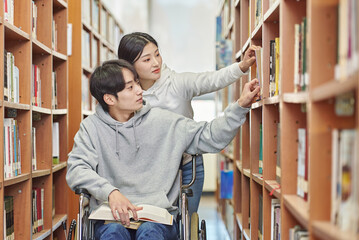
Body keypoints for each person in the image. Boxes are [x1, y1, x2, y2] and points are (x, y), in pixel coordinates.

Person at [66, 59, 260, 240]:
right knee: (113, 233)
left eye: (137, 83)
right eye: (130, 87)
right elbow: (76, 169)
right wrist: (110, 192)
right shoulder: (91, 128)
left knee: (150, 232)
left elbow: (210, 136)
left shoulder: (164, 121)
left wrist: (240, 106)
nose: (140, 90)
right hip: (111, 215)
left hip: (157, 215)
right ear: (109, 99)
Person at [117, 32, 258, 217]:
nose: (156, 63)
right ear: (130, 66)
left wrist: (241, 67)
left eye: (157, 54)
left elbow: (212, 80)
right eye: (147, 59)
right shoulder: (126, 95)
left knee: (185, 220)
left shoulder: (177, 83)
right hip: (151, 169)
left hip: (187, 165)